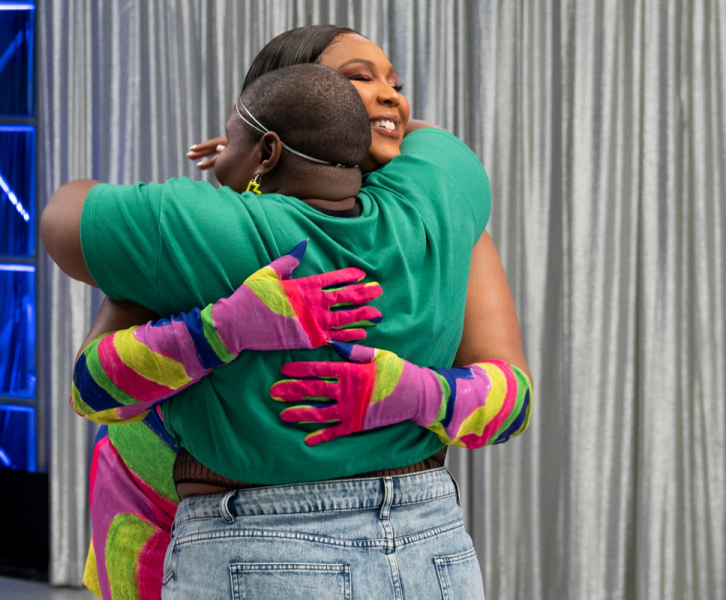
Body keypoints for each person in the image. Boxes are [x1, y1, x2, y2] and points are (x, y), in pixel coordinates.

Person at [43, 27, 531, 600]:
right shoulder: (440, 202)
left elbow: (90, 383)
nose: (390, 97)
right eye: (357, 80)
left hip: (253, 537)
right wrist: (422, 396)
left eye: (396, 86)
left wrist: (256, 153)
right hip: (427, 543)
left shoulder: (196, 225)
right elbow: (510, 402)